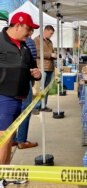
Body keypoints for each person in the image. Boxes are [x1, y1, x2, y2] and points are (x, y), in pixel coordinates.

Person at [0, 12, 41, 164]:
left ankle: (5, 174)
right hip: (3, 98)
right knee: (3, 139)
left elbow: (33, 68)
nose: (31, 33)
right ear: (17, 25)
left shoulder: (25, 47)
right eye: (29, 29)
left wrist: (37, 75)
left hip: (19, 99)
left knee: (9, 138)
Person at [12, 36, 38, 149]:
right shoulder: (28, 43)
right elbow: (32, 62)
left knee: (14, 110)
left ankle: (13, 139)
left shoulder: (10, 42)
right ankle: (21, 140)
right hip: (23, 79)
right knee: (25, 109)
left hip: (11, 82)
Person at [33, 25, 56, 114]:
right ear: (45, 30)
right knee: (40, 88)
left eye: (52, 34)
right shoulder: (36, 40)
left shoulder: (50, 42)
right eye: (50, 33)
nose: (51, 35)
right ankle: (37, 106)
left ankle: (44, 105)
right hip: (41, 67)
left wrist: (54, 55)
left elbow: (51, 52)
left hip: (50, 67)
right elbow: (37, 53)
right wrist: (50, 55)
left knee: (46, 88)